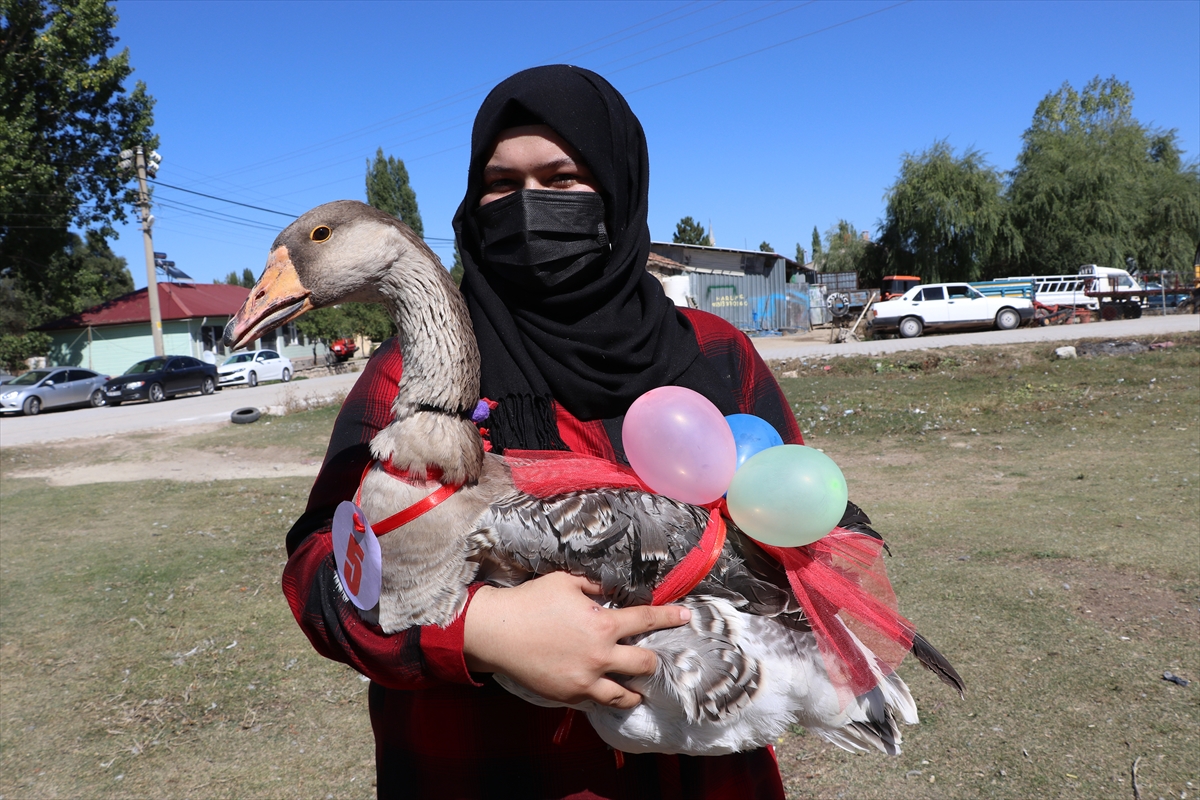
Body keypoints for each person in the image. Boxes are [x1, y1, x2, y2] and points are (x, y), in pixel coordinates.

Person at [282, 65, 801, 799]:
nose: (529, 205)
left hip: (703, 773)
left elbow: (806, 532)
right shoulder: (415, 374)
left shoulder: (714, 352)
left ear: (619, 190)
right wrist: (480, 631)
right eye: (501, 184)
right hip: (489, 770)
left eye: (562, 180)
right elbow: (318, 573)